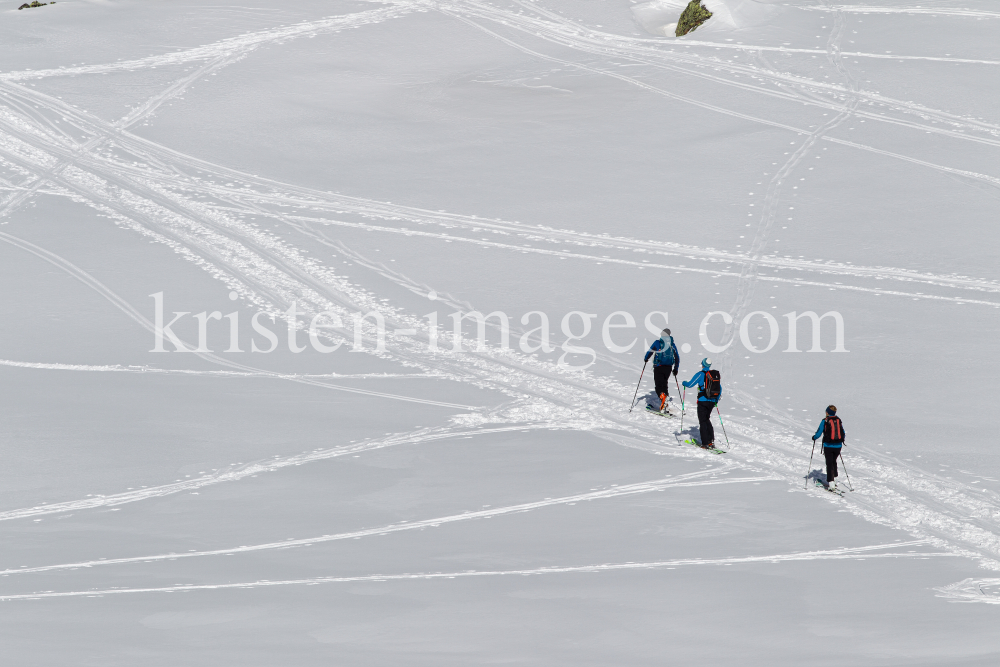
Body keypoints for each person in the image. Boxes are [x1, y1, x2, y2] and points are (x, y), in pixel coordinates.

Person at [682, 358, 721, 448]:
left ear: (702, 364)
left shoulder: (700, 374)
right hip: (712, 401)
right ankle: (711, 441)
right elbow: (720, 388)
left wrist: (684, 383)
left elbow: (690, 384)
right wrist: (716, 399)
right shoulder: (713, 375)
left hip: (703, 401)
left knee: (702, 421)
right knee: (707, 419)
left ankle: (705, 443)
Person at [643, 328, 680, 411]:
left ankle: (663, 398)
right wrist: (676, 368)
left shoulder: (658, 342)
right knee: (664, 385)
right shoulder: (672, 344)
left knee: (658, 386)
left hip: (659, 366)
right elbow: (677, 357)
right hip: (669, 368)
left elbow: (650, 351)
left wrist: (646, 359)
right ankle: (665, 405)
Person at [812, 405, 845, 488]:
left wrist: (814, 437)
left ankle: (831, 483)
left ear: (827, 412)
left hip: (828, 445)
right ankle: (835, 479)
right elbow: (843, 433)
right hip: (838, 446)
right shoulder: (838, 420)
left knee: (829, 463)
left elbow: (819, 432)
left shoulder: (825, 421)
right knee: (834, 461)